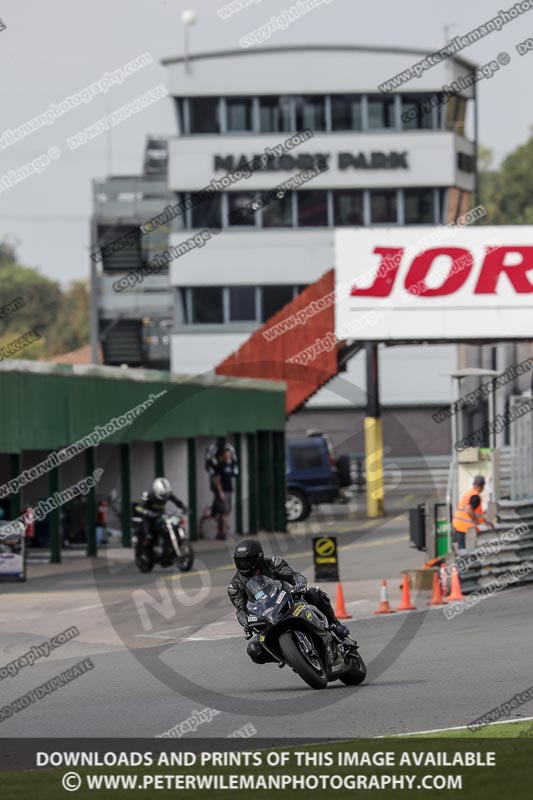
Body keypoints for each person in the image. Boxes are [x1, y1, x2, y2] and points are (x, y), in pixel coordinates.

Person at [227, 539, 350, 664]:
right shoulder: (235, 586)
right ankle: (289, 657)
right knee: (254, 650)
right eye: (240, 562)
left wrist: (299, 583)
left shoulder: (273, 563)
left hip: (287, 600)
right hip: (265, 618)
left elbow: (293, 576)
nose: (243, 565)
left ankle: (335, 625)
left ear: (258, 558)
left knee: (313, 594)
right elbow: (240, 609)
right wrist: (246, 622)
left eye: (247, 561)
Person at [134, 478, 187, 562]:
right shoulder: (147, 495)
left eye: (165, 495)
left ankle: (168, 549)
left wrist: (184, 508)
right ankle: (144, 553)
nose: (164, 497)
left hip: (160, 516)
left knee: (169, 528)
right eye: (162, 495)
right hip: (148, 518)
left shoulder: (167, 493)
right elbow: (139, 507)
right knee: (148, 535)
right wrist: (147, 512)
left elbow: (177, 501)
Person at [205, 437, 238, 540]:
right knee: (223, 512)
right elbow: (217, 479)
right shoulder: (221, 465)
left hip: (229, 490)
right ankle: (225, 532)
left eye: (229, 454)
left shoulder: (231, 465)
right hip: (222, 491)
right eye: (226, 454)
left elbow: (234, 474)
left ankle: (221, 532)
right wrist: (220, 491)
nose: (228, 455)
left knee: (226, 511)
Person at [452, 475, 494, 551]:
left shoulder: (469, 493)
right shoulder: (475, 496)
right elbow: (469, 509)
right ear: (482, 486)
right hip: (465, 529)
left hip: (459, 526)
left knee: (461, 551)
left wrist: (484, 521)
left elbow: (475, 513)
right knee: (465, 552)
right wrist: (476, 521)